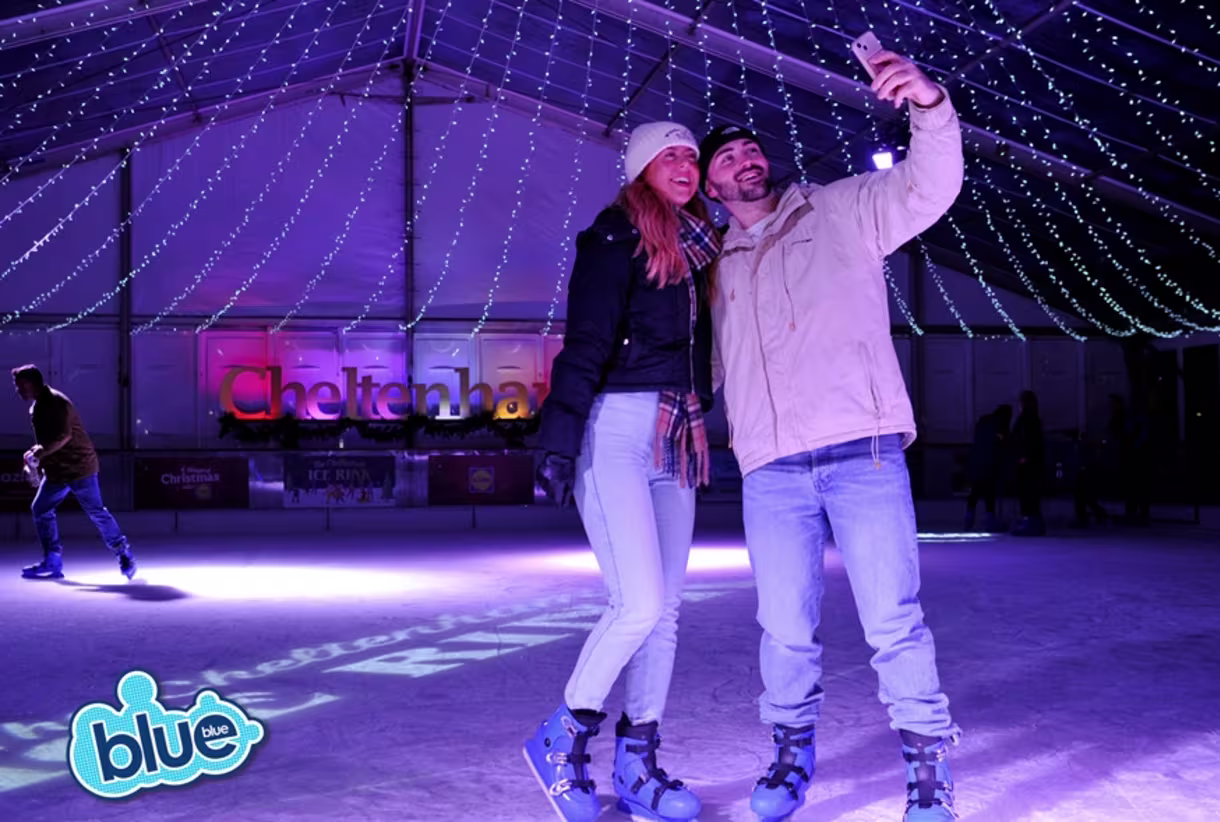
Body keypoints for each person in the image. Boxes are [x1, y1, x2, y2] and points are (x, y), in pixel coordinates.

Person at [699, 47, 962, 822]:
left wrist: (928, 104)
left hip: (863, 451)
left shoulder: (841, 209)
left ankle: (927, 765)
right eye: (728, 157)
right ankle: (789, 753)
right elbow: (701, 363)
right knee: (783, 630)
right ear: (711, 186)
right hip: (773, 470)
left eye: (752, 148)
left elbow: (929, 185)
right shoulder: (714, 264)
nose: (747, 158)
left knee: (893, 621)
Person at [525, 121, 719, 822]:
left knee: (664, 613)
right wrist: (559, 436)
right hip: (614, 430)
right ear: (640, 168)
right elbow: (588, 339)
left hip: (678, 430)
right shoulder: (613, 237)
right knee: (636, 602)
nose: (686, 165)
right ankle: (562, 737)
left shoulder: (703, 251)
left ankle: (638, 763)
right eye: (670, 154)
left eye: (693, 157)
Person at [11, 364, 136, 580]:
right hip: (57, 471)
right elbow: (45, 441)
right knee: (40, 508)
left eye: (20, 385)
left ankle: (123, 552)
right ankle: (52, 560)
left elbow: (62, 436)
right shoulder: (37, 407)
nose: (18, 390)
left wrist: (37, 455)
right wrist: (32, 457)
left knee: (96, 511)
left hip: (80, 467)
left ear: (33, 383)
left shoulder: (57, 402)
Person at [964, 403, 1012, 531]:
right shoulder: (1000, 425)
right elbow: (1003, 445)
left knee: (974, 492)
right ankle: (990, 521)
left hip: (976, 461)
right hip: (989, 464)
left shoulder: (983, 421)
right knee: (989, 492)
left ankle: (968, 519)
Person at [1010, 390, 1046, 536]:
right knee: (1030, 491)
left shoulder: (1026, 420)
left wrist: (1024, 455)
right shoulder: (1033, 419)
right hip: (1031, 461)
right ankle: (1032, 521)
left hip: (1027, 462)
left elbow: (1025, 439)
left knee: (1027, 491)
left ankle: (1030, 522)